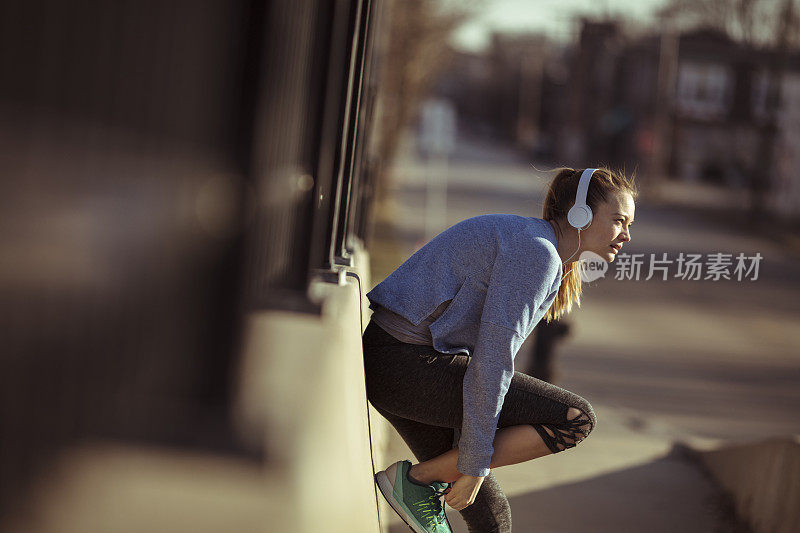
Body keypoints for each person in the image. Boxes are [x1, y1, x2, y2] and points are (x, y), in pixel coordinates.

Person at [363, 167, 637, 532]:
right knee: (576, 419)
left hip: (402, 365)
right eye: (619, 221)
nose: (627, 235)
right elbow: (492, 363)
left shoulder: (534, 243)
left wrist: (474, 461)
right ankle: (417, 479)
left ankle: (420, 481)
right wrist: (474, 464)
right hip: (404, 365)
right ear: (580, 215)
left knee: (491, 514)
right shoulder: (537, 254)